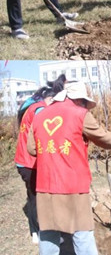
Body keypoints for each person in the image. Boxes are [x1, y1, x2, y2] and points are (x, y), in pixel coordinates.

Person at [27, 80, 111, 254]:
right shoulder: (80, 114)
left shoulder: (39, 115)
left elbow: (32, 149)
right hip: (73, 184)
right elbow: (101, 136)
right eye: (84, 102)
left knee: (48, 232)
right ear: (78, 99)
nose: (85, 105)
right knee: (82, 231)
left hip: (46, 184)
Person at [15, 74, 67, 246]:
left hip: (25, 162)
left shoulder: (34, 107)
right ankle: (42, 232)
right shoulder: (41, 110)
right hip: (30, 163)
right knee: (39, 198)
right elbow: (44, 138)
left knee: (33, 197)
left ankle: (36, 231)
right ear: (51, 98)